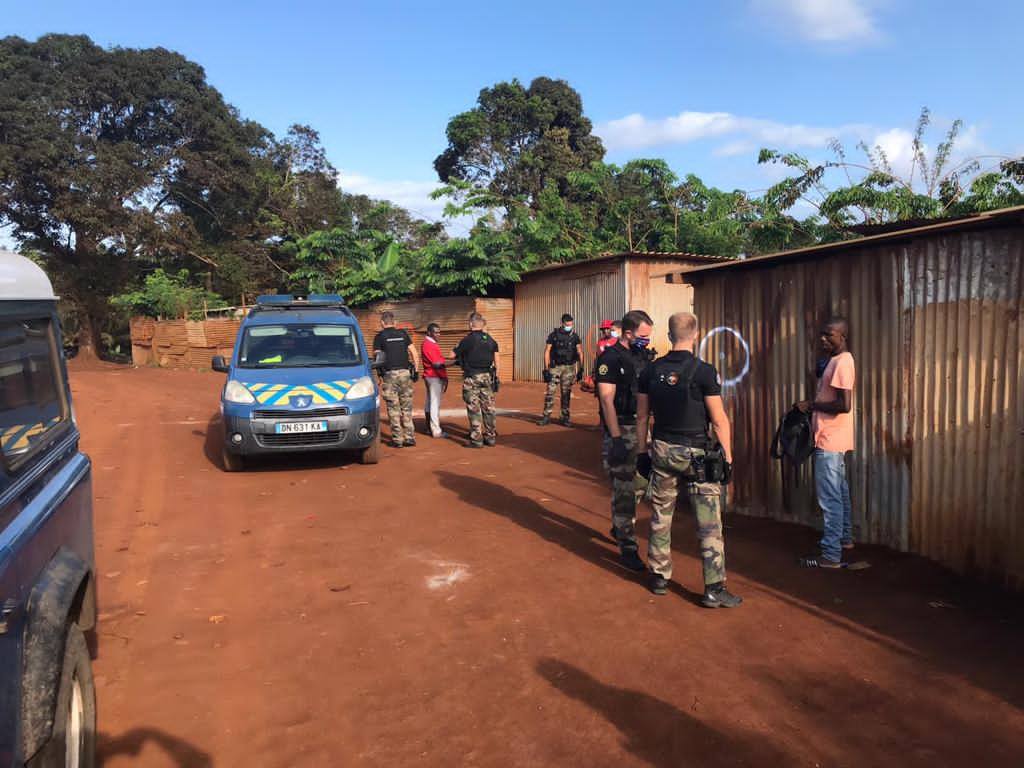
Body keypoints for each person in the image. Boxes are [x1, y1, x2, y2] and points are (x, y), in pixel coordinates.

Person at [635, 312, 742, 608]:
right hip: (696, 454)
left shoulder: (650, 371)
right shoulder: (705, 372)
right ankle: (713, 588)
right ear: (695, 334)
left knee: (660, 514)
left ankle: (658, 575)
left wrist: (642, 452)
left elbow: (642, 415)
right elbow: (719, 420)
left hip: (662, 450)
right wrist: (728, 458)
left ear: (669, 335)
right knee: (709, 523)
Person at [595, 309, 654, 572]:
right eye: (643, 336)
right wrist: (616, 438)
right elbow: (606, 399)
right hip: (622, 427)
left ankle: (620, 524)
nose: (646, 340)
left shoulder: (643, 356)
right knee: (624, 489)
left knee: (642, 481)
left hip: (642, 427)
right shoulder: (609, 358)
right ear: (628, 333)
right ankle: (627, 546)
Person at [795, 317, 856, 568]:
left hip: (830, 439)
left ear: (842, 337)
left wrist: (811, 405)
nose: (823, 339)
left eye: (829, 335)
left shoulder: (843, 362)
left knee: (830, 498)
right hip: (833, 437)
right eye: (822, 334)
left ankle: (830, 555)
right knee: (839, 492)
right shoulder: (834, 361)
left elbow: (844, 405)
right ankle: (844, 539)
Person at [451, 313, 500, 448]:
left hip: (472, 376)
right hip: (487, 376)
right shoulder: (490, 339)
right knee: (489, 407)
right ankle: (490, 437)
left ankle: (476, 439)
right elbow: (497, 357)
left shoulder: (468, 339)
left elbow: (452, 355)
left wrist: (456, 348)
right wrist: (497, 375)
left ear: (471, 324)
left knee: (474, 408)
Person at [372, 311, 420, 448]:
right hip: (405, 374)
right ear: (394, 322)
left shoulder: (379, 337)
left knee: (393, 408)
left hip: (389, 375)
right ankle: (409, 437)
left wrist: (379, 375)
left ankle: (397, 439)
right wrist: (416, 371)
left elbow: (377, 358)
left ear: (382, 323)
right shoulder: (403, 334)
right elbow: (414, 353)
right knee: (407, 407)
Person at [539, 313, 583, 427]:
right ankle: (546, 416)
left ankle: (565, 417)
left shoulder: (575, 336)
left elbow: (579, 351)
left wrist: (581, 368)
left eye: (571, 324)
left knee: (566, 393)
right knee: (550, 392)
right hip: (555, 367)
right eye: (568, 324)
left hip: (569, 368)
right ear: (563, 323)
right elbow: (547, 351)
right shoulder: (554, 335)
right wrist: (546, 369)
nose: (570, 326)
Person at [421, 322, 448, 439]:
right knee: (434, 404)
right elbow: (437, 364)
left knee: (430, 402)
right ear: (429, 332)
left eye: (439, 332)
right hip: (433, 377)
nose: (438, 334)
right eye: (436, 332)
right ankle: (436, 430)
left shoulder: (430, 344)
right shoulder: (429, 344)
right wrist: (455, 362)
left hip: (431, 376)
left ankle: (429, 427)